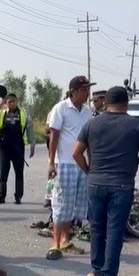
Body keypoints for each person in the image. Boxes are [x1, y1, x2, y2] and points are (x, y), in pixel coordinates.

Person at [73, 86, 139, 276]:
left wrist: (89, 171)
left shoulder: (92, 124)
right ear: (126, 103)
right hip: (121, 184)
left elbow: (76, 153)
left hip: (95, 183)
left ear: (106, 103)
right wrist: (133, 161)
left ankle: (98, 271)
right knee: (115, 231)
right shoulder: (137, 126)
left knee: (96, 228)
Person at [45, 76, 95, 260]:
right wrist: (51, 162)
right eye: (84, 90)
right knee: (61, 204)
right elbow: (54, 137)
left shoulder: (88, 112)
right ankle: (54, 244)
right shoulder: (61, 109)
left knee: (74, 205)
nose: (87, 93)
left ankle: (66, 240)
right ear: (73, 91)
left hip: (81, 164)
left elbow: (89, 141)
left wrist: (91, 163)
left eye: (88, 89)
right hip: (64, 163)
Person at [0, 93, 35, 205]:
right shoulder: (1, 113)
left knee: (19, 173)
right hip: (5, 148)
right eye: (9, 101)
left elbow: (30, 128)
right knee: (3, 173)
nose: (11, 103)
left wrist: (33, 144)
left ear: (17, 101)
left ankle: (18, 197)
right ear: (6, 102)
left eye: (13, 101)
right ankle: (1, 196)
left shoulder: (23, 113)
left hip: (18, 147)